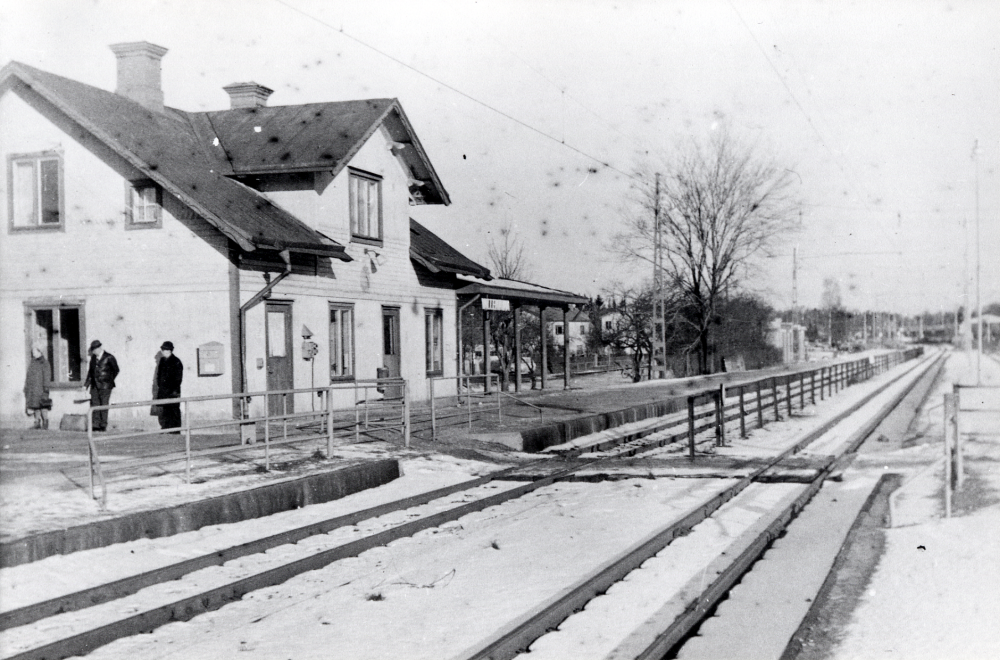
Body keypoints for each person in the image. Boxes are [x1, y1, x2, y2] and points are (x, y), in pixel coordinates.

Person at [83, 340, 119, 432]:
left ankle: (103, 425)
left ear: (99, 348)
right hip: (94, 386)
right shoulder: (93, 358)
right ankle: (95, 425)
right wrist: (86, 385)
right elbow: (90, 373)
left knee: (104, 405)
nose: (93, 352)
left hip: (105, 386)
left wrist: (108, 380)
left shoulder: (109, 357)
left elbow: (116, 370)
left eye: (94, 350)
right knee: (95, 405)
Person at [155, 341, 183, 431]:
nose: (162, 351)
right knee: (165, 411)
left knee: (174, 411)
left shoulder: (176, 361)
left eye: (163, 349)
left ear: (169, 351)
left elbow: (178, 379)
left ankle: (175, 431)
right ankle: (167, 429)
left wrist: (173, 391)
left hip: (172, 392)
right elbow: (159, 376)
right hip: (164, 391)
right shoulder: (162, 361)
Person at [24, 346, 52, 429]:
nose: (33, 354)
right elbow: (29, 376)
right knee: (35, 406)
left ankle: (45, 422)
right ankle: (37, 422)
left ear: (40, 352)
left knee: (43, 405)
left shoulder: (45, 363)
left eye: (35, 352)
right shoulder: (32, 363)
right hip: (33, 389)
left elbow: (47, 377)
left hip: (41, 388)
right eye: (32, 352)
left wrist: (46, 388)